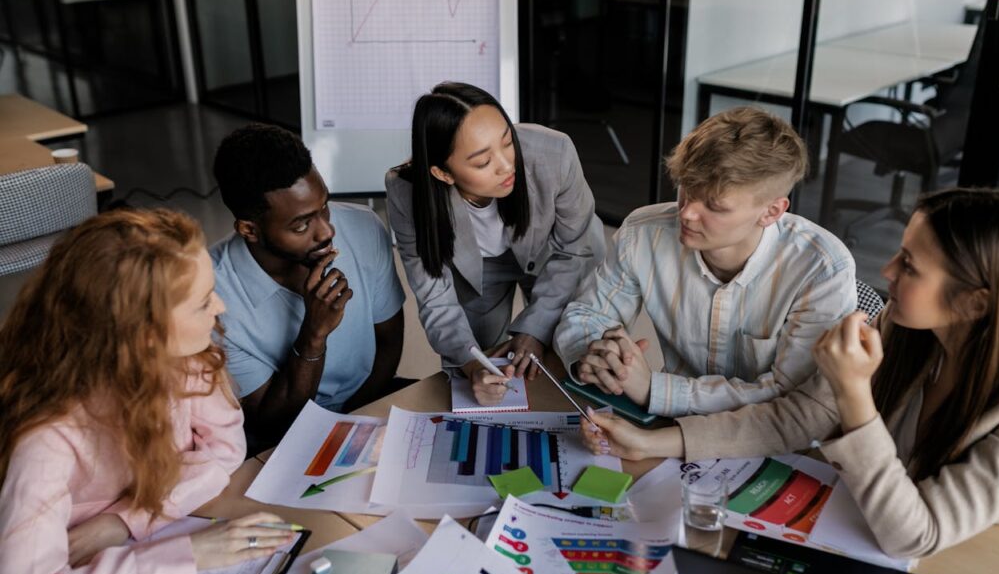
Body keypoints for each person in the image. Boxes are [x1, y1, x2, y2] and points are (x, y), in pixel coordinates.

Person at [581, 187, 999, 558]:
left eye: (909, 266)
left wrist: (854, 394)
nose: (886, 271)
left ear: (975, 304)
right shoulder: (909, 328)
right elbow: (800, 416)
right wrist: (654, 441)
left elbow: (914, 537)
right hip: (860, 527)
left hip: (967, 561)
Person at [0, 209, 294, 574]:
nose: (221, 307)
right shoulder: (47, 439)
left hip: (118, 558)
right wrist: (185, 556)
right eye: (203, 302)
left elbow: (225, 449)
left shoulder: (189, 359)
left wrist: (126, 522)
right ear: (144, 336)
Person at [554, 106, 856, 416]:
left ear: (771, 212)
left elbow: (792, 395)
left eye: (714, 206)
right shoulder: (641, 233)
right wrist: (598, 355)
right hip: (668, 422)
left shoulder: (822, 269)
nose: (686, 213)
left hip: (773, 441)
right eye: (686, 189)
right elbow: (589, 312)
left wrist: (653, 389)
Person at [386, 81, 605, 404]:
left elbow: (575, 249)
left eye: (507, 142)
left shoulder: (554, 153)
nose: (506, 165)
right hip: (480, 269)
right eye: (481, 162)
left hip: (557, 255)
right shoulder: (406, 191)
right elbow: (435, 298)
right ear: (443, 173)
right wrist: (473, 366)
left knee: (568, 347)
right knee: (478, 361)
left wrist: (534, 330)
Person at [211, 124, 406, 448]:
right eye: (302, 224)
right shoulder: (213, 295)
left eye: (324, 206)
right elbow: (272, 424)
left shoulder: (364, 227)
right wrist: (314, 334)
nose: (327, 231)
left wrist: (355, 428)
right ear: (249, 229)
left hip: (366, 406)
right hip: (280, 438)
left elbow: (388, 344)